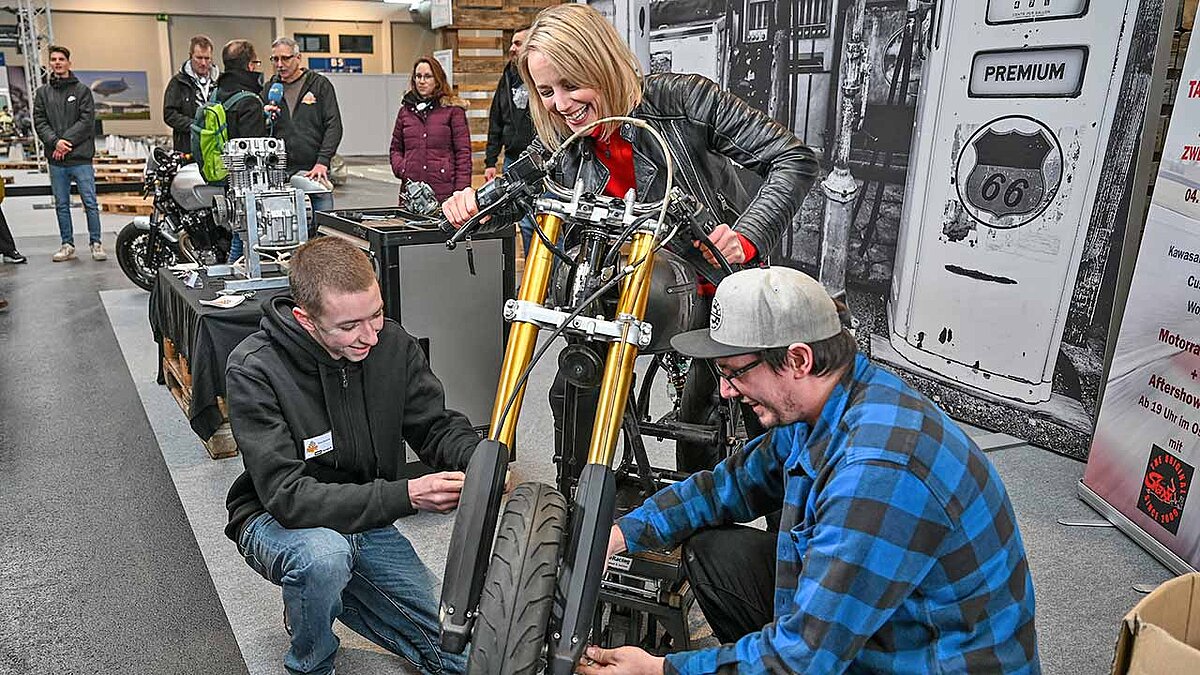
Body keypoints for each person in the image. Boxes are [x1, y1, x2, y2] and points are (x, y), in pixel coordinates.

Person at [576, 267, 1041, 674]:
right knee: (716, 555)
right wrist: (619, 534)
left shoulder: (876, 473)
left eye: (735, 372)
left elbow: (801, 662)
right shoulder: (823, 403)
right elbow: (729, 485)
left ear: (798, 360)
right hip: (888, 623)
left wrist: (660, 670)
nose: (726, 390)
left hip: (929, 660)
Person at [442, 3, 819, 477]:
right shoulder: (562, 142)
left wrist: (746, 236)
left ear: (600, 62)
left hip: (713, 284)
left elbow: (794, 159)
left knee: (717, 421)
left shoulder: (682, 100)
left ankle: (762, 514)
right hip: (624, 291)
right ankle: (574, 498)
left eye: (571, 84)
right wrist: (468, 207)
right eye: (547, 91)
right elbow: (513, 193)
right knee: (574, 385)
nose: (561, 104)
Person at [224, 236, 476, 675]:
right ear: (305, 320)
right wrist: (408, 495)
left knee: (464, 653)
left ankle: (320, 596)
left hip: (364, 517)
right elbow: (288, 497)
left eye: (376, 314)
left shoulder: (392, 345)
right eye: (349, 326)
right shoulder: (255, 369)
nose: (370, 336)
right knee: (323, 559)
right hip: (278, 519)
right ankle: (312, 662)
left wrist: (480, 459)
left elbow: (433, 426)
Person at [33, 45, 104, 263]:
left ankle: (96, 243)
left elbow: (86, 121)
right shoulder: (42, 93)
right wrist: (55, 142)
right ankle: (67, 245)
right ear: (50, 64)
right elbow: (40, 121)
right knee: (61, 204)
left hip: (80, 158)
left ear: (68, 63)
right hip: (57, 160)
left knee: (90, 203)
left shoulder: (82, 91)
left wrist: (65, 142)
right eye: (54, 59)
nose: (57, 62)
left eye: (61, 59)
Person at [263, 37, 342, 213]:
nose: (279, 64)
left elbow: (334, 125)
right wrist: (264, 117)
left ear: (298, 58)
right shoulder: (270, 88)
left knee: (323, 221)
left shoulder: (319, 85)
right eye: (275, 59)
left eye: (285, 58)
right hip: (280, 172)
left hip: (314, 169)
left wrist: (322, 162)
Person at [389, 57, 471, 204]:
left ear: (437, 79)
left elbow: (463, 153)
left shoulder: (453, 111)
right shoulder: (405, 111)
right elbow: (396, 148)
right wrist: (403, 169)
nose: (422, 81)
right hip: (412, 192)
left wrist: (461, 191)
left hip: (444, 191)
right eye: (418, 76)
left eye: (427, 76)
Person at [483, 28, 536, 253]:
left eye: (518, 43)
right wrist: (490, 161)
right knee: (524, 223)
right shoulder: (506, 78)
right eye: (512, 43)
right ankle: (532, 273)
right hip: (513, 160)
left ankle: (555, 274)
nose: (512, 48)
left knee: (546, 222)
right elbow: (496, 120)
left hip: (540, 161)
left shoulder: (541, 78)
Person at [215, 39, 267, 262]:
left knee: (237, 231)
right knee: (244, 237)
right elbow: (254, 151)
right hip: (246, 182)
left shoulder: (218, 92)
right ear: (249, 65)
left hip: (225, 173)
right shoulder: (249, 100)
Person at [163, 34, 218, 154]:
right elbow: (169, 114)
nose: (203, 63)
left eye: (207, 58)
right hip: (188, 148)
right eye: (199, 58)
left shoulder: (220, 82)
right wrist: (195, 126)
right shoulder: (178, 82)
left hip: (216, 147)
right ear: (190, 56)